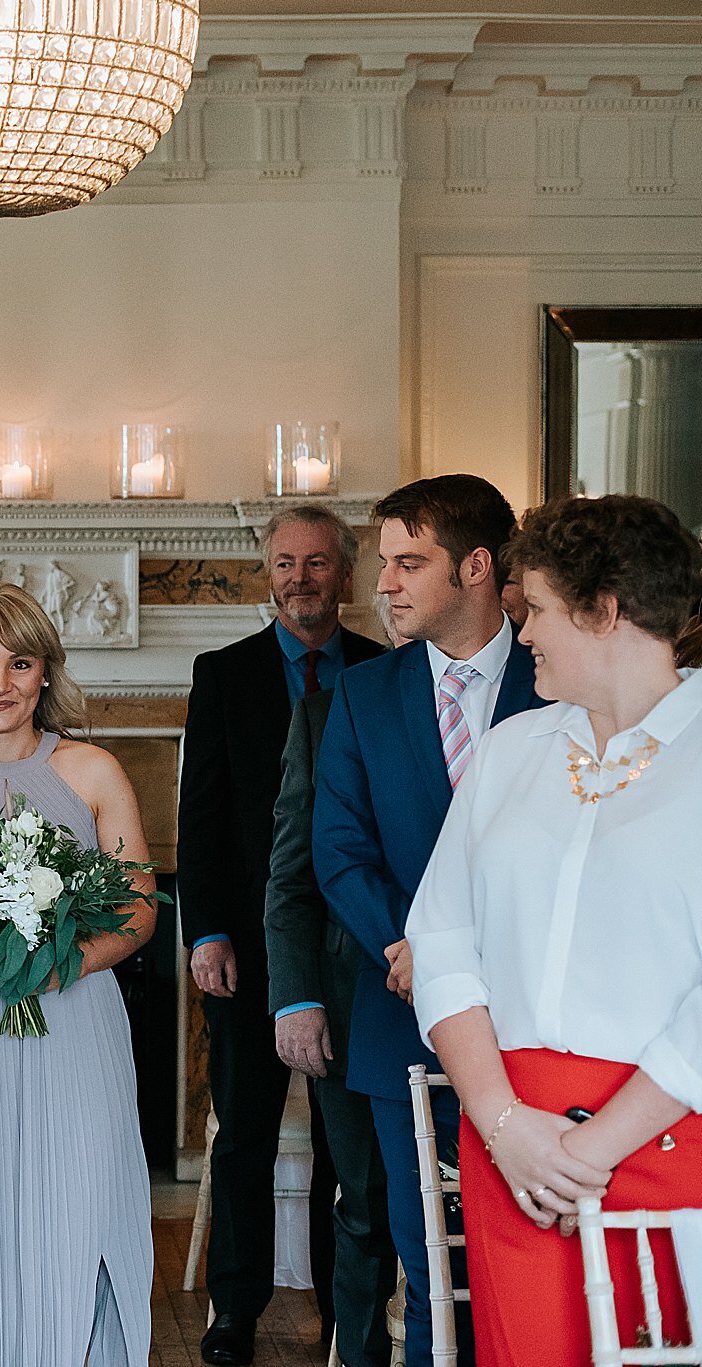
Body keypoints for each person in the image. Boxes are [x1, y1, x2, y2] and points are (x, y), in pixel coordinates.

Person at [409, 494, 702, 1364]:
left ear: (604, 609)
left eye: (534, 607)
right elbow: (441, 941)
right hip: (516, 1157)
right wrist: (506, 1125)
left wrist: (591, 1150)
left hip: (665, 1146)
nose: (520, 630)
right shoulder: (510, 752)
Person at [315, 473, 544, 1361]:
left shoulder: (554, 675)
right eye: (386, 564)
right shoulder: (364, 693)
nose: (386, 585)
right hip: (402, 1014)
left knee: (523, 1265)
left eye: (411, 562)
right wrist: (410, 946)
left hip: (532, 1022)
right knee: (428, 1272)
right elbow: (337, 847)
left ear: (477, 566)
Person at [0, 584, 156, 1366]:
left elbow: (140, 908)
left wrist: (60, 963)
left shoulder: (93, 769)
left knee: (77, 1206)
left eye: (20, 662)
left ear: (45, 672)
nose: (0, 682)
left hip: (74, 1020)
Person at [178, 504, 386, 1365]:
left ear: (344, 572)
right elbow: (202, 814)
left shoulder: (385, 673)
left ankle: (348, 1316)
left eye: (316, 563)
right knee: (245, 1135)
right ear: (267, 572)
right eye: (284, 563)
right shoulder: (222, 673)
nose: (300, 578)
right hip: (248, 953)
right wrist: (208, 932)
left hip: (353, 955)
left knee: (351, 1146)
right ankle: (236, 1309)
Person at [263, 599, 408, 1367]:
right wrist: (298, 994)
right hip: (352, 998)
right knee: (365, 1208)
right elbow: (290, 872)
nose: (392, 592)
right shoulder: (327, 713)